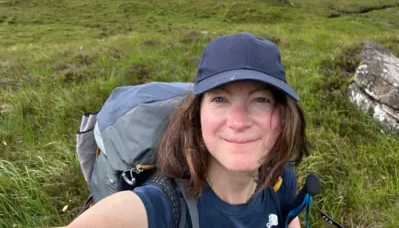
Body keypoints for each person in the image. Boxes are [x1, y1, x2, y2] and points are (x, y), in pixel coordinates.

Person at [67, 32, 312, 228]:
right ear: (197, 115)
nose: (238, 122)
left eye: (260, 100)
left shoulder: (280, 177)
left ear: (282, 115)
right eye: (220, 100)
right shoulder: (164, 206)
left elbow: (287, 218)